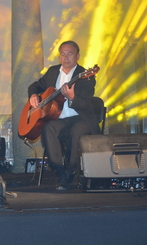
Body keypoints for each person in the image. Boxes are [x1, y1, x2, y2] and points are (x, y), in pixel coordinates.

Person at [27, 41, 99, 191]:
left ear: (77, 56)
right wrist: (33, 95)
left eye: (70, 53)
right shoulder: (53, 72)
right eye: (62, 54)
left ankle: (71, 170)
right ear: (59, 57)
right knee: (48, 129)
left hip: (80, 118)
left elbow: (86, 104)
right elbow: (34, 86)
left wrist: (73, 97)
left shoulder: (86, 76)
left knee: (76, 131)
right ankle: (61, 172)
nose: (66, 57)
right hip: (58, 119)